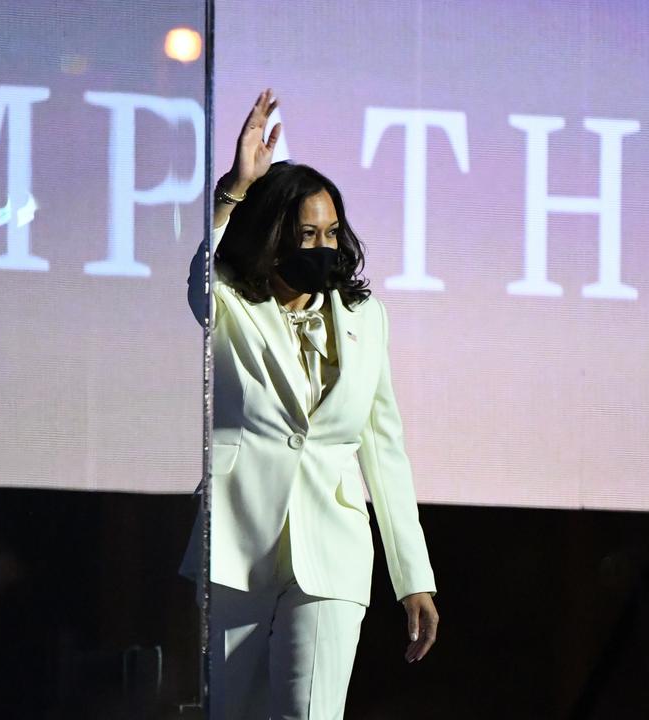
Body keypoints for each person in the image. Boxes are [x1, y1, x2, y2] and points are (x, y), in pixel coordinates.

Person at [181, 89, 439, 719]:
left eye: (331, 232)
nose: (323, 245)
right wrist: (234, 189)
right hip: (239, 539)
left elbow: (383, 447)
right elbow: (199, 276)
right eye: (306, 234)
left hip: (334, 545)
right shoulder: (233, 305)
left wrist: (414, 577)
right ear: (274, 237)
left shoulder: (364, 318)